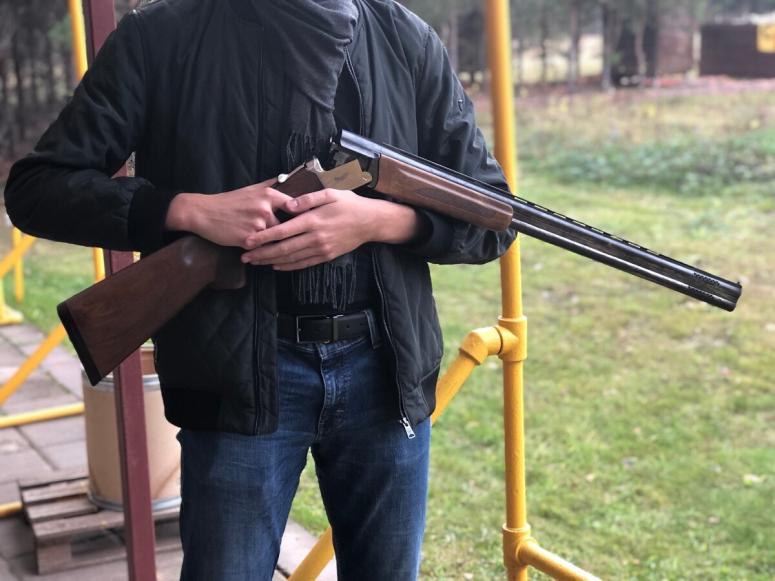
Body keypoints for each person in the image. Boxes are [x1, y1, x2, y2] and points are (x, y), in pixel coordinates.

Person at [5, 0, 515, 579]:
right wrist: (189, 210)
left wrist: (378, 221)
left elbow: (493, 215)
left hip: (385, 370)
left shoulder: (406, 40)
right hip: (237, 376)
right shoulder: (160, 35)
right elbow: (37, 189)